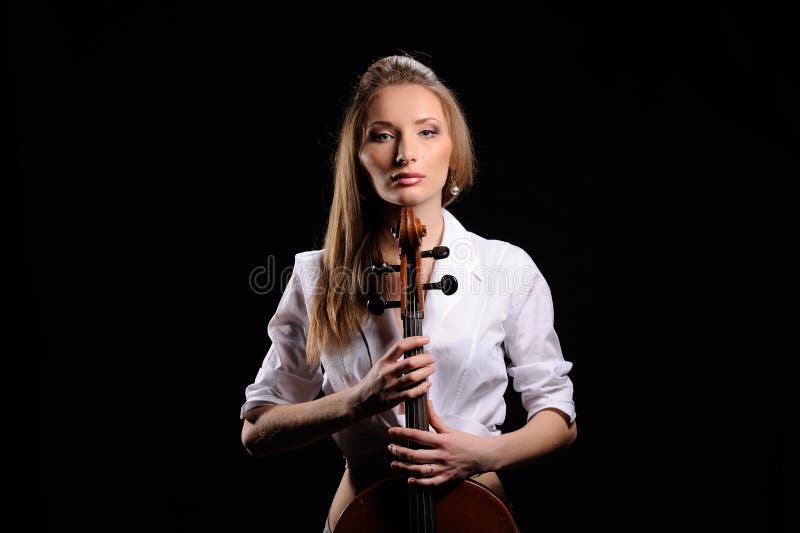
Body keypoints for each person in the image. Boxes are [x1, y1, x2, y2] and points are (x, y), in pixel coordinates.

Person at [240, 54, 577, 532]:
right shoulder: (316, 276)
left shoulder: (505, 266)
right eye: (382, 135)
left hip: (477, 509)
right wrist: (358, 400)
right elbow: (257, 432)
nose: (404, 154)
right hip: (363, 513)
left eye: (426, 131)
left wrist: (483, 453)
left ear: (453, 150)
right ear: (358, 156)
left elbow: (558, 414)